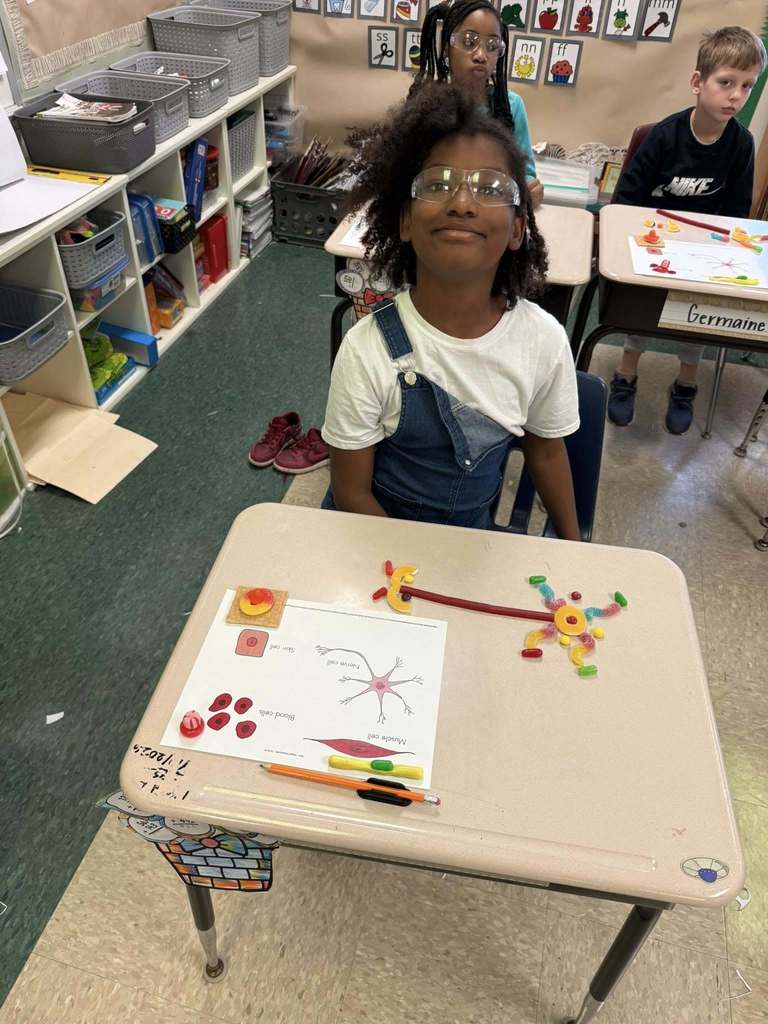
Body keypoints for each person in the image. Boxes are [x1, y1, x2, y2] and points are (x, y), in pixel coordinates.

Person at [320, 84, 580, 538]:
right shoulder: (367, 349)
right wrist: (417, 574)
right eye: (438, 185)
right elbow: (351, 495)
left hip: (467, 545)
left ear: (518, 228)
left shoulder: (542, 341)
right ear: (404, 221)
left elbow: (547, 453)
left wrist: (577, 549)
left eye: (490, 188)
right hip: (373, 544)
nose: (462, 203)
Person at [608, 25, 767, 435]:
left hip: (702, 253)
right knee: (640, 310)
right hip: (653, 245)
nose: (736, 95)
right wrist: (650, 239)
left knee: (694, 314)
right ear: (698, 82)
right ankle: (625, 375)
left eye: (747, 86)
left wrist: (717, 249)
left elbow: (735, 213)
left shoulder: (742, 144)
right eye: (726, 82)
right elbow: (626, 200)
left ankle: (686, 384)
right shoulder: (663, 137)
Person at [410, 0, 544, 209]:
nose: (481, 55)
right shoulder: (428, 106)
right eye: (469, 41)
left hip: (491, 210)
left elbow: (524, 172)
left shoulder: (511, 106)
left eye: (492, 46)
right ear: (447, 48)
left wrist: (529, 188)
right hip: (441, 208)